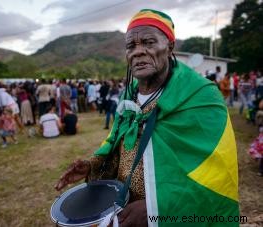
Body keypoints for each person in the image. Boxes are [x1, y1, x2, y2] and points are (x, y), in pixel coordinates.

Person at [55, 9, 239, 226]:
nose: (137, 52)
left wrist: (156, 208)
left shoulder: (202, 96)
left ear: (170, 46)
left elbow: (217, 174)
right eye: (130, 46)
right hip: (124, 208)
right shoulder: (128, 96)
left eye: (148, 42)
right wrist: (93, 165)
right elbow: (119, 147)